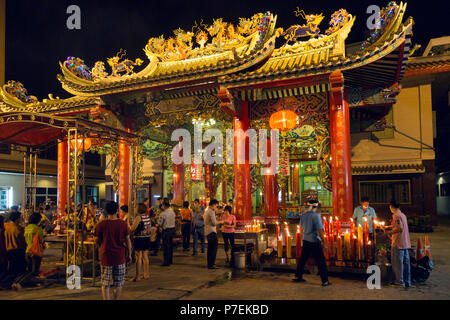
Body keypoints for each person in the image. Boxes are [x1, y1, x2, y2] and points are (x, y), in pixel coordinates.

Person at [94, 201, 132, 300]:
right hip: (119, 257)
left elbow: (96, 241)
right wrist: (130, 254)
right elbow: (128, 241)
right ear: (117, 210)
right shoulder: (123, 224)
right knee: (118, 283)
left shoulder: (101, 225)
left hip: (106, 256)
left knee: (105, 283)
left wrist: (100, 246)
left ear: (106, 211)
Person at [292, 199, 331, 286]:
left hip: (306, 239)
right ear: (315, 207)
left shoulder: (303, 215)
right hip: (314, 240)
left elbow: (301, 227)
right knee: (321, 261)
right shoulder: (316, 216)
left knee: (303, 259)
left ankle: (297, 276)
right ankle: (325, 280)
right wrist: (324, 242)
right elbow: (320, 230)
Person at [12, 212, 45, 290]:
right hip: (35, 252)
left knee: (29, 270)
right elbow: (41, 240)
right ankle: (19, 283)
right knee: (34, 271)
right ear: (37, 220)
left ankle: (16, 281)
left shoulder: (26, 228)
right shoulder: (38, 228)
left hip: (27, 251)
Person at [384, 200, 412, 288]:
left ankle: (399, 282)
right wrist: (388, 227)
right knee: (406, 263)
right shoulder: (402, 215)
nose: (390, 209)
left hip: (398, 243)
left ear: (392, 207)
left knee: (397, 263)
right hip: (405, 242)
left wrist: (389, 232)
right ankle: (407, 281)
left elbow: (399, 228)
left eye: (390, 207)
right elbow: (396, 225)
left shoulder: (396, 215)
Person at [2, 211, 27, 290]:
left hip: (8, 250)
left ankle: (8, 283)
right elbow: (22, 242)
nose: (21, 219)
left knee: (12, 268)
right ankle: (11, 283)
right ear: (17, 219)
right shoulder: (18, 229)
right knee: (20, 269)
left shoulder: (6, 227)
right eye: (20, 217)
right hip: (18, 251)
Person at [130, 203, 151, 281]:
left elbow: (132, 229)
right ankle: (146, 274)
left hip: (139, 238)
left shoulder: (139, 217)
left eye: (136, 207)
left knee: (138, 257)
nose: (135, 208)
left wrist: (129, 225)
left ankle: (138, 276)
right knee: (145, 256)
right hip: (147, 238)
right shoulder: (147, 217)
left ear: (139, 209)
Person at [158, 199, 175, 266]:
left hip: (166, 230)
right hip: (172, 229)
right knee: (170, 246)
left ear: (164, 205)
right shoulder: (172, 212)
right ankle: (170, 260)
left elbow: (160, 223)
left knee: (165, 246)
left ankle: (166, 261)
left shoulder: (163, 214)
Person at [204, 199, 220, 269]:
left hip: (207, 231)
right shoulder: (211, 212)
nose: (216, 207)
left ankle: (210, 264)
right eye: (216, 206)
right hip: (212, 232)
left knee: (210, 248)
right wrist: (222, 221)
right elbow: (214, 223)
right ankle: (212, 264)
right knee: (213, 248)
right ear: (213, 205)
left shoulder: (207, 211)